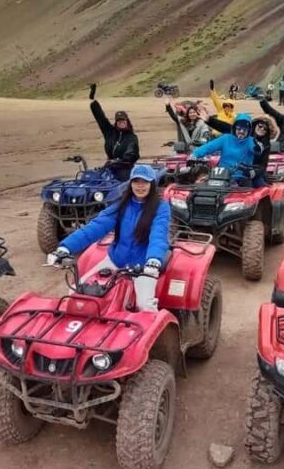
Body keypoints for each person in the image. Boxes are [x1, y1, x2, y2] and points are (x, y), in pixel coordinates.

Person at [53, 164, 170, 313]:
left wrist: (153, 260)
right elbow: (95, 227)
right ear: (130, 183)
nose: (140, 186)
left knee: (145, 306)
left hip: (143, 266)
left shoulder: (161, 208)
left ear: (152, 184)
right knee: (76, 292)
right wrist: (65, 247)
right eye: (136, 181)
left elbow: (158, 234)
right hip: (116, 261)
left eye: (145, 182)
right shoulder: (121, 205)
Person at [192, 113, 257, 184]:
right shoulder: (226, 138)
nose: (241, 132)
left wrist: (254, 169)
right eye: (239, 129)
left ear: (249, 130)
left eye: (244, 130)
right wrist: (194, 155)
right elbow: (208, 147)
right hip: (221, 176)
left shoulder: (252, 142)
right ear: (234, 128)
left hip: (241, 178)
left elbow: (260, 153)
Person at [89, 95, 140, 181]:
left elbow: (132, 151)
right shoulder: (110, 132)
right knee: (97, 179)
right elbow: (100, 118)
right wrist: (93, 102)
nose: (121, 122)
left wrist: (121, 160)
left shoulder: (132, 137)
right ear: (116, 122)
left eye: (123, 120)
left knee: (122, 182)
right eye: (119, 121)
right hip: (110, 166)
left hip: (125, 167)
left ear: (127, 121)